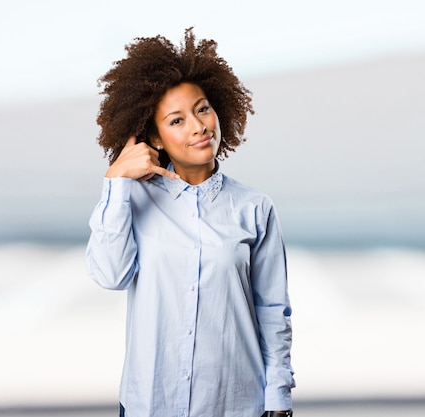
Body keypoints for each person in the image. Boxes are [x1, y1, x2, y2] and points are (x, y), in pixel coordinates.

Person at [85, 28, 295, 417]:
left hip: (234, 404)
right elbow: (110, 274)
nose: (198, 126)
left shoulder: (254, 208)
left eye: (202, 109)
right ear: (156, 138)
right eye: (177, 120)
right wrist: (114, 182)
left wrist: (279, 398)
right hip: (150, 403)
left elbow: (272, 308)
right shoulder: (132, 199)